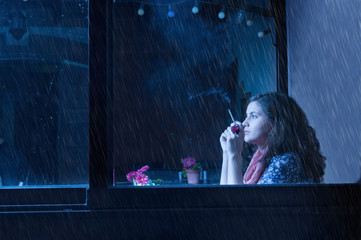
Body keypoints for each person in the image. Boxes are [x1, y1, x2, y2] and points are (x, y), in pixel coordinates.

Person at [220, 92, 326, 184]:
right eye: (246, 116)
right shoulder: (262, 161)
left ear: (276, 122)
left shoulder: (286, 162)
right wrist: (227, 153)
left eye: (254, 116)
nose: (244, 123)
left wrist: (235, 155)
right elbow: (225, 197)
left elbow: (237, 203)